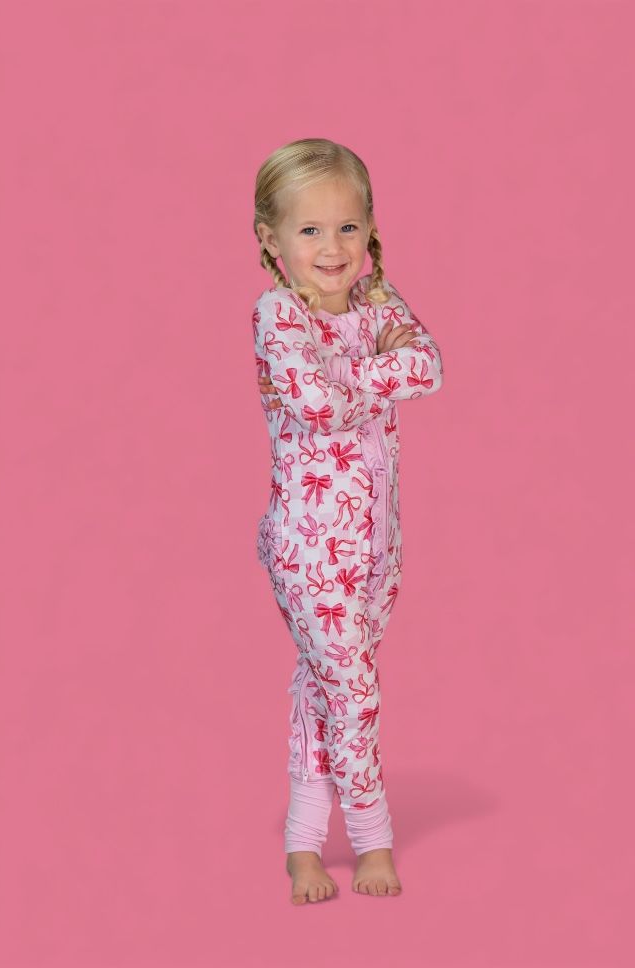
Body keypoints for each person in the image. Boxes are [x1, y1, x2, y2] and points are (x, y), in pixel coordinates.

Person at [252, 138, 444, 904]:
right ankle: (372, 837)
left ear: (369, 229)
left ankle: (302, 844)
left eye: (347, 227)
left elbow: (427, 367)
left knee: (322, 686)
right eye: (309, 230)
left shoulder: (376, 301)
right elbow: (316, 404)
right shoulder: (278, 314)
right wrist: (370, 373)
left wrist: (345, 374)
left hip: (377, 549)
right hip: (309, 549)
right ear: (271, 238)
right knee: (355, 695)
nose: (331, 247)